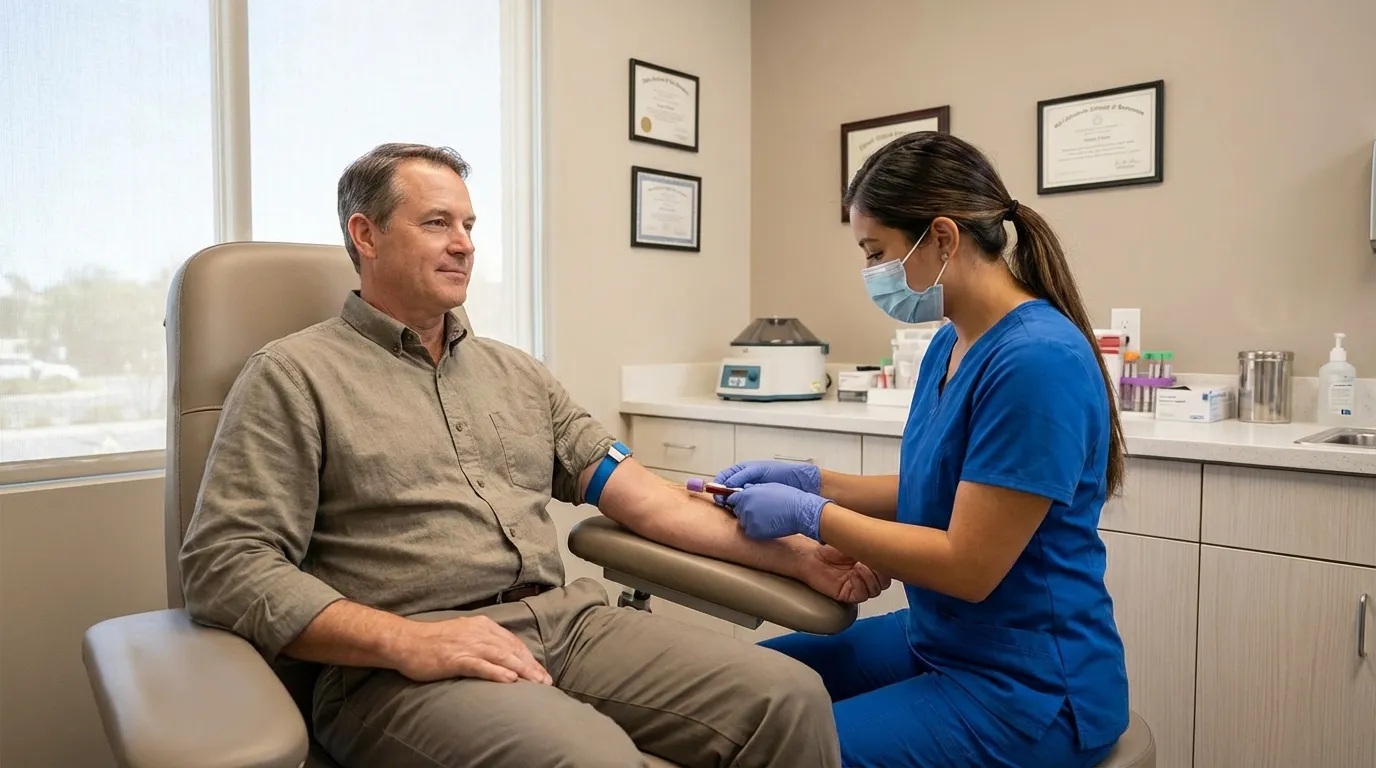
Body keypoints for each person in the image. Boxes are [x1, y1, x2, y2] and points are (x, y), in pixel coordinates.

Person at [179, 142, 889, 768]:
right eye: (436, 223)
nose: (463, 244)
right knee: (592, 760)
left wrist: (796, 554)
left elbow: (641, 497)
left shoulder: (515, 374)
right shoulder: (292, 376)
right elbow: (226, 565)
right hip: (402, 666)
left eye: (468, 225)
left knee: (789, 697)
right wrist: (404, 642)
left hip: (566, 622)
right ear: (365, 234)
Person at [711, 131, 1131, 768]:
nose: (869, 273)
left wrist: (811, 517)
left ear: (941, 237)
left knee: (784, 751)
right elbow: (938, 492)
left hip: (1027, 686)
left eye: (875, 251)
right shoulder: (951, 343)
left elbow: (968, 561)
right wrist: (812, 480)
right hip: (938, 638)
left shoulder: (1037, 361)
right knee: (733, 691)